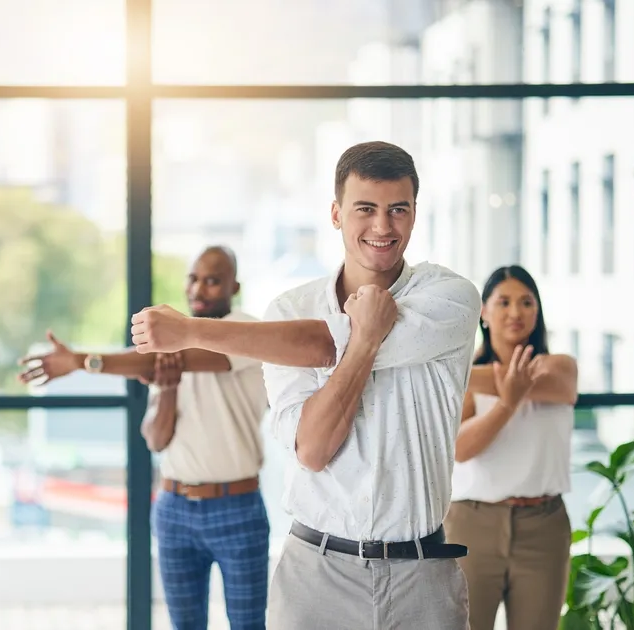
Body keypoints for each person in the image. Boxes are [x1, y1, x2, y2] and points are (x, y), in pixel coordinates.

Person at [129, 141, 481, 629]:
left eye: (398, 209)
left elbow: (321, 344)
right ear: (336, 214)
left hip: (421, 577)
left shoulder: (450, 297)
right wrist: (366, 339)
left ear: (415, 214)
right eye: (366, 209)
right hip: (316, 576)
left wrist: (191, 331)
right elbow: (313, 450)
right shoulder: (290, 311)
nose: (383, 226)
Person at [18, 246, 271, 630]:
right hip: (175, 507)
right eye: (193, 278)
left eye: (212, 280)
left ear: (233, 287)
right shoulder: (172, 346)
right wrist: (167, 388)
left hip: (237, 507)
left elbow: (175, 357)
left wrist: (81, 361)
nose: (198, 289)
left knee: (248, 624)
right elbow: (156, 439)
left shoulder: (244, 330)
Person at [445, 265, 578, 630]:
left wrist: (465, 375)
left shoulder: (559, 367)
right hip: (473, 523)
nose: (515, 312)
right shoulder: (467, 377)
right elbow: (460, 450)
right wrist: (507, 402)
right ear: (484, 312)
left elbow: (558, 387)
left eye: (526, 302)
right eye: (503, 302)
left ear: (538, 311)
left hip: (543, 526)